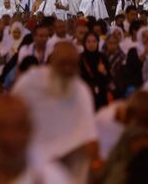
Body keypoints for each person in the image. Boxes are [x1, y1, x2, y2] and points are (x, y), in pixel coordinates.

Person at [12, 42, 99, 182]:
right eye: (63, 63)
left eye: (72, 64)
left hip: (70, 159)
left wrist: (95, 166)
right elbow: (11, 115)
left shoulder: (81, 91)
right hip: (33, 158)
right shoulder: (29, 83)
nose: (67, 69)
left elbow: (90, 135)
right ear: (51, 61)